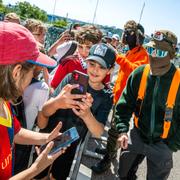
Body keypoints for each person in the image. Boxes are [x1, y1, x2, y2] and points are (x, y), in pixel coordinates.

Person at [36, 43, 116, 180]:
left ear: (110, 70)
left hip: (70, 143)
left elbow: (97, 131)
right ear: (86, 63)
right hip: (49, 134)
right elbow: (45, 110)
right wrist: (58, 102)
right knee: (37, 173)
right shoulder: (70, 79)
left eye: (101, 67)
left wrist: (87, 115)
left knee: (57, 176)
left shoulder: (106, 96)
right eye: (92, 64)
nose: (95, 70)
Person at [0, 21, 66, 179]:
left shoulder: (5, 103)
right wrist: (35, 169)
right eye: (31, 74)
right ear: (17, 72)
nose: (31, 79)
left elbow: (14, 131)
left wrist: (46, 138)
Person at [115, 29, 179, 180]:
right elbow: (124, 105)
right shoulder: (139, 73)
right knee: (123, 173)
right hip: (137, 134)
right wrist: (123, 130)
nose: (153, 55)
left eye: (160, 52)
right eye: (150, 49)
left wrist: (173, 144)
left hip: (163, 143)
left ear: (171, 54)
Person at [92, 20, 149, 173]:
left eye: (129, 33)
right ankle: (109, 151)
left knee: (115, 130)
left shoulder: (143, 55)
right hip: (118, 96)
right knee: (113, 130)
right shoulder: (130, 52)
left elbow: (134, 71)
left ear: (138, 37)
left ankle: (106, 161)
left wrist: (117, 56)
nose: (125, 35)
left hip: (126, 100)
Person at [50, 24, 103, 89]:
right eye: (80, 46)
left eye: (89, 47)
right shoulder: (67, 62)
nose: (83, 51)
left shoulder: (103, 68)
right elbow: (53, 87)